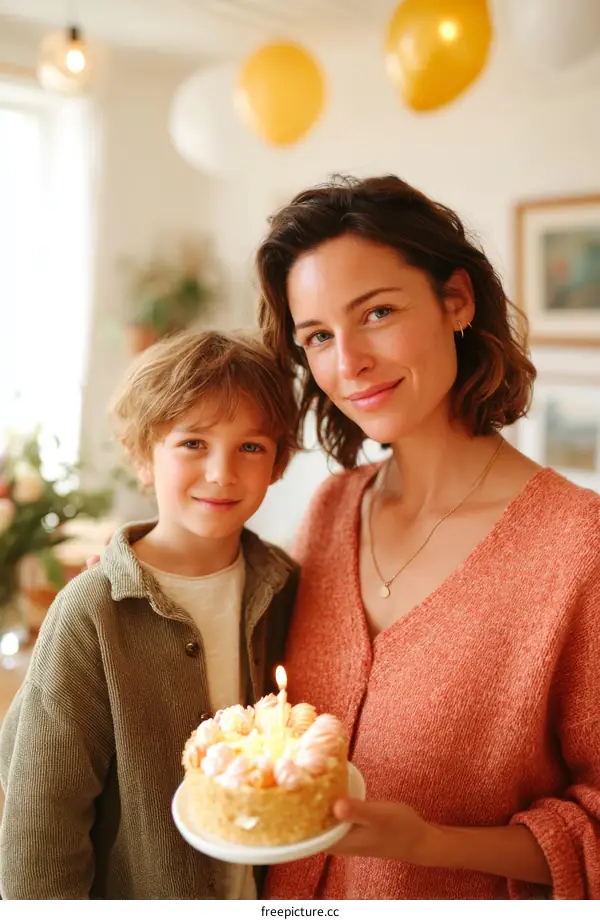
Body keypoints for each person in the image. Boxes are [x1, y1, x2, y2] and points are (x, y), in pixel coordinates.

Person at [256, 175, 600, 900]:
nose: (348, 363)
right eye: (318, 336)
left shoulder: (578, 549)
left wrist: (427, 844)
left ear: (457, 301)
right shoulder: (331, 510)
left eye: (377, 312)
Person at [0, 331, 298, 899]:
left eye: (251, 447)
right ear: (143, 457)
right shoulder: (91, 612)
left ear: (278, 463)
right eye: (193, 443)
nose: (222, 472)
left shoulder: (288, 587)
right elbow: (42, 830)